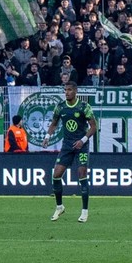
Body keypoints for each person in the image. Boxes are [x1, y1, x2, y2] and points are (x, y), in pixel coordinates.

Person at [47, 80, 96, 222]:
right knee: (56, 175)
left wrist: (83, 141)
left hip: (81, 146)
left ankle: (85, 211)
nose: (66, 92)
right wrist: (47, 136)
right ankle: (59, 207)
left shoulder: (84, 107)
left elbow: (93, 126)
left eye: (69, 90)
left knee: (82, 175)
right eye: (65, 90)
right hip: (67, 146)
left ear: (75, 91)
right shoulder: (60, 107)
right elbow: (54, 123)